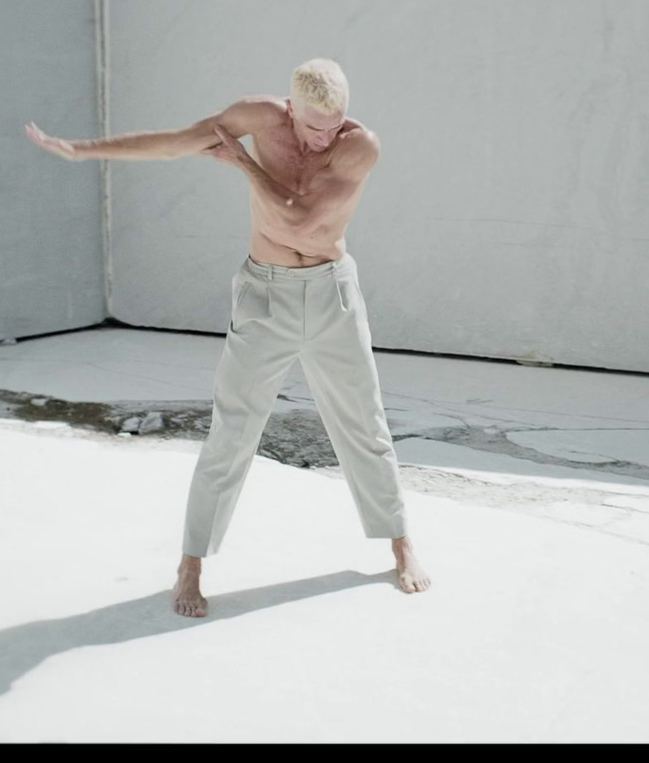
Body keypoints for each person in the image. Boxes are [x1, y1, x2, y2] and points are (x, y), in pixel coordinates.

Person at [25, 58, 430, 617]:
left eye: (334, 124)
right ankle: (190, 566)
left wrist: (242, 163)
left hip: (333, 295)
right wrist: (86, 149)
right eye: (314, 127)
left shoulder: (359, 146)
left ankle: (400, 542)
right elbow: (177, 142)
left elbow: (301, 220)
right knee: (231, 433)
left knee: (365, 424)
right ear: (290, 111)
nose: (324, 138)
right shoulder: (260, 117)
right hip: (265, 297)